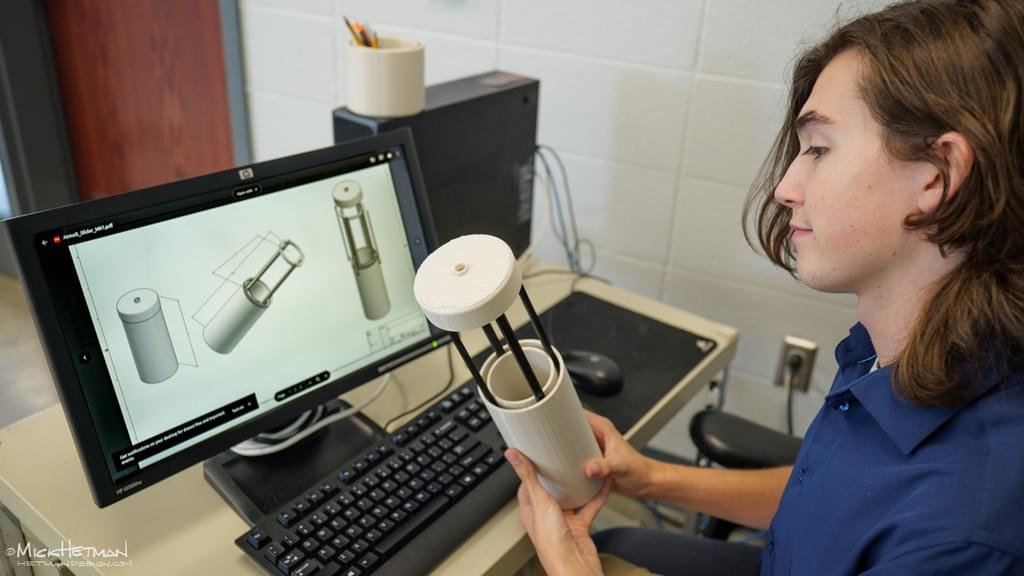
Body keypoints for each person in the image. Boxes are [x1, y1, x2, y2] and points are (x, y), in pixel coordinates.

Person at [504, 0, 1024, 574]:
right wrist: (652, 478)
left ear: (938, 174)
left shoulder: (962, 534)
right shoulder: (903, 350)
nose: (785, 187)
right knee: (623, 544)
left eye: (819, 149)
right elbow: (835, 499)